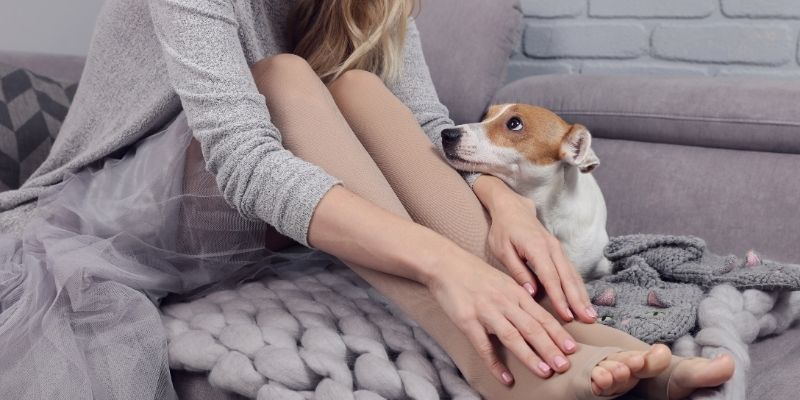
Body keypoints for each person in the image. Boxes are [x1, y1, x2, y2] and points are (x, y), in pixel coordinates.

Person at [0, 0, 734, 399]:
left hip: (281, 216)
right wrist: (450, 266)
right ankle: (494, 366)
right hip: (133, 210)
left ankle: (599, 350)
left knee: (356, 83)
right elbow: (246, 159)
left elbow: (421, 127)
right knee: (287, 74)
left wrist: (499, 198)